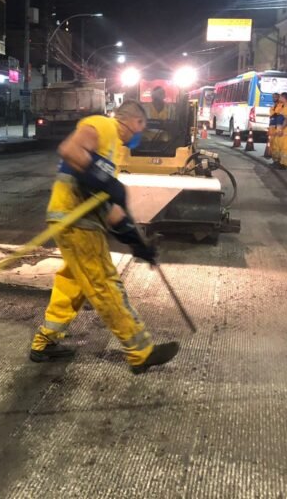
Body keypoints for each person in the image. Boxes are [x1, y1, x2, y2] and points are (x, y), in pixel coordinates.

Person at [29, 100, 180, 374]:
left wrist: (136, 241)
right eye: (141, 126)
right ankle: (140, 352)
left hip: (78, 220)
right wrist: (107, 180)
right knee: (105, 283)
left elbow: (108, 207)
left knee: (74, 281)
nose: (140, 133)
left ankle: (45, 341)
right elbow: (70, 150)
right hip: (75, 219)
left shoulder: (113, 153)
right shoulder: (104, 125)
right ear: (133, 121)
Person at [273, 92, 287, 169]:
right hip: (280, 129)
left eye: (280, 97)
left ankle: (284, 164)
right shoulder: (282, 105)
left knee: (284, 148)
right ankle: (277, 162)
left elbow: (286, 119)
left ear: (283, 98)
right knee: (277, 146)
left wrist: (281, 129)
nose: (279, 98)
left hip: (285, 131)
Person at [268, 93, 280, 165]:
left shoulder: (280, 107)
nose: (274, 98)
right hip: (272, 128)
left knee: (276, 145)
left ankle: (278, 161)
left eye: (275, 97)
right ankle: (274, 160)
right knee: (272, 145)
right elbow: (271, 116)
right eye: (273, 97)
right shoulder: (272, 107)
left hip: (277, 128)